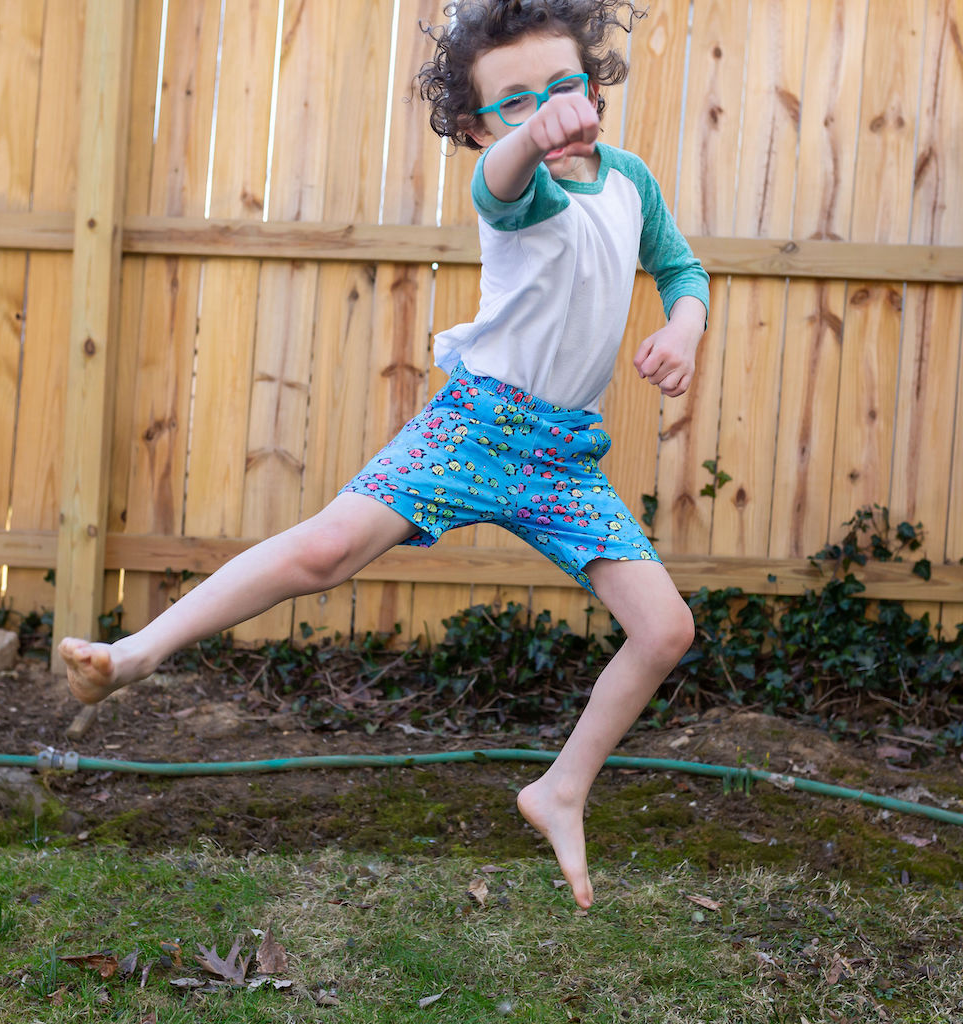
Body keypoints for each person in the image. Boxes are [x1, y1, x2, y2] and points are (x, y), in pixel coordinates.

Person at [59, 0, 709, 910]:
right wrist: (531, 134)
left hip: (563, 455)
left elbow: (681, 269)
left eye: (566, 87)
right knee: (325, 550)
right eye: (514, 102)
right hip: (477, 427)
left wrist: (683, 328)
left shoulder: (629, 179)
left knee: (666, 628)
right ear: (480, 124)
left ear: (595, 86)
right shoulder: (512, 183)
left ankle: (559, 789)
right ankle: (136, 654)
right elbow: (506, 175)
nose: (549, 110)